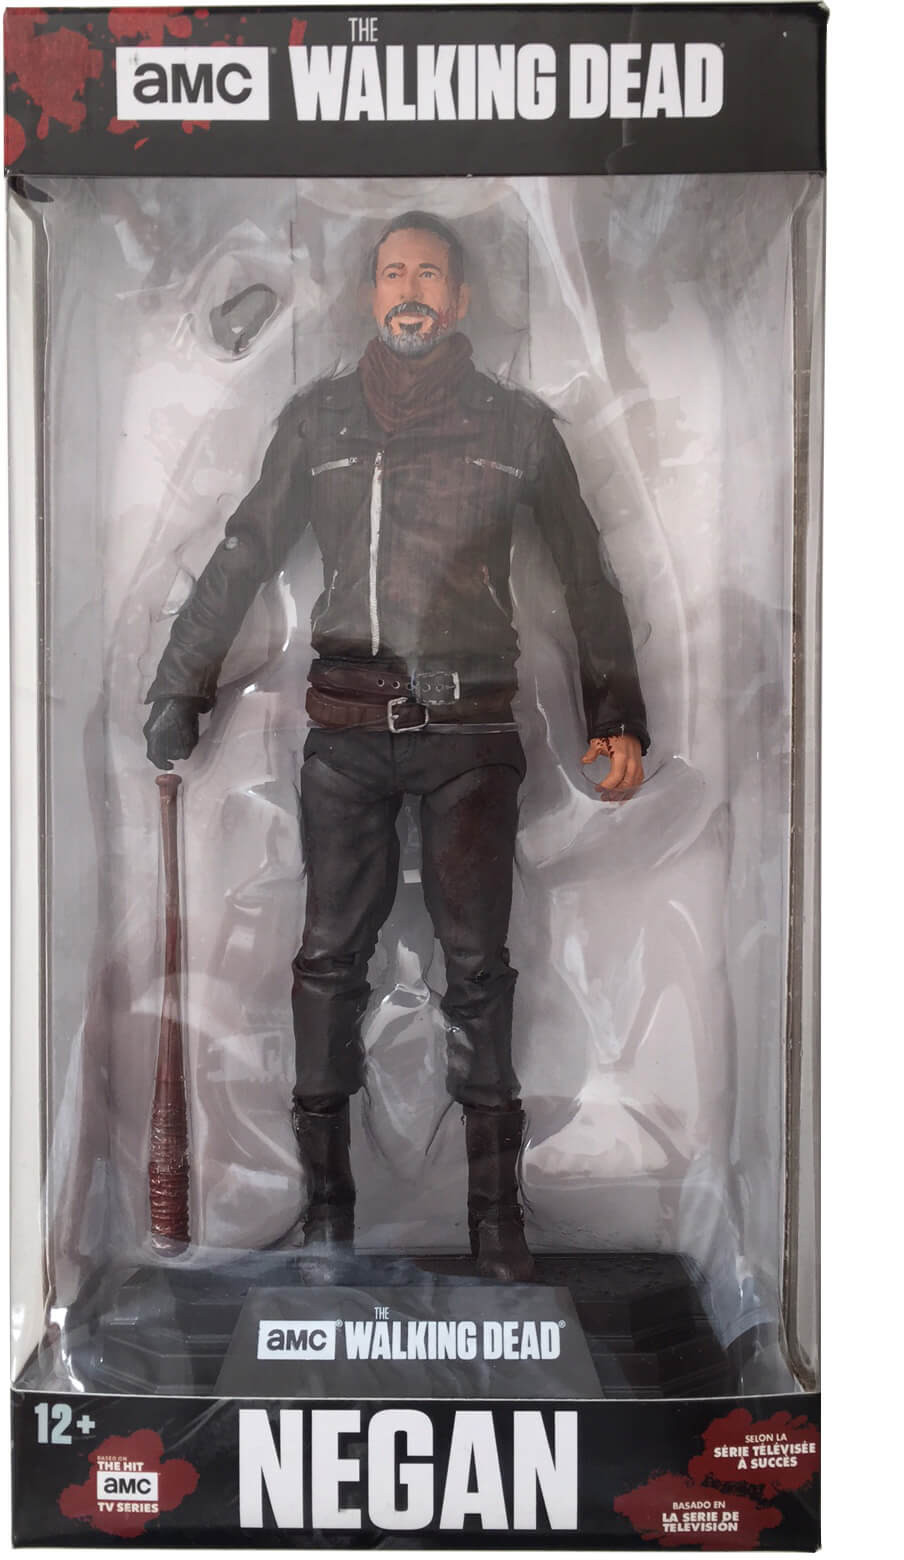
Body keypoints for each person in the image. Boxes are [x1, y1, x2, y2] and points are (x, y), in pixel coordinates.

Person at [144, 211, 649, 1281]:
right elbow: (243, 553)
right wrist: (181, 685)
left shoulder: (518, 428)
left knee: (479, 972)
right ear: (369, 295)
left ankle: (497, 1225)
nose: (410, 291)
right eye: (392, 274)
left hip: (471, 735)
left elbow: (586, 575)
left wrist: (615, 716)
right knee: (326, 965)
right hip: (345, 730)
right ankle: (326, 1220)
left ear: (459, 299)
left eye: (428, 274)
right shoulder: (319, 420)